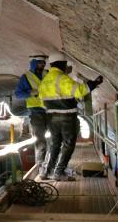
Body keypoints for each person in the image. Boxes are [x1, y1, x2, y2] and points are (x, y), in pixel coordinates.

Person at [38, 51, 103, 181]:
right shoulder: (62, 78)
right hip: (67, 117)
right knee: (68, 144)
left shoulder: (45, 81)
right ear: (62, 64)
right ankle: (59, 172)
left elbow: (41, 100)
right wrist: (95, 83)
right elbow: (79, 91)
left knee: (55, 144)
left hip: (51, 118)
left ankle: (47, 171)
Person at [14, 53, 50, 181]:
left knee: (55, 139)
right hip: (36, 112)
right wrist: (31, 93)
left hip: (50, 110)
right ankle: (41, 169)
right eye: (40, 63)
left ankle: (52, 167)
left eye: (44, 63)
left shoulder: (48, 74)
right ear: (34, 63)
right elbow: (18, 94)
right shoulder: (26, 77)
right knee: (40, 141)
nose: (43, 65)